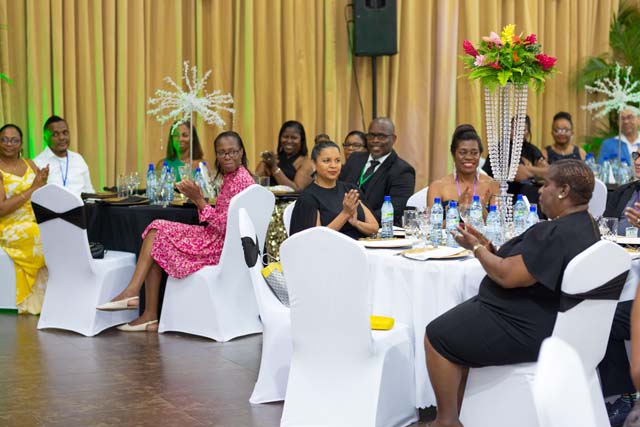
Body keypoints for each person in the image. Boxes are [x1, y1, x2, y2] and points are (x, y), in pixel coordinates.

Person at [425, 160, 604, 427]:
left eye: (546, 185)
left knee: (437, 335)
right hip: (554, 319)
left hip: (526, 325)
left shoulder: (554, 232)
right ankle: (460, 413)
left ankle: (446, 420)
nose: (539, 191)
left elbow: (506, 276)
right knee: (458, 325)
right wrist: (487, 247)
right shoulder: (586, 225)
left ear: (564, 191)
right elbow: (530, 266)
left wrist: (476, 250)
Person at [97, 131, 255, 331]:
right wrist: (199, 200)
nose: (227, 157)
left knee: (156, 231)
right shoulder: (235, 177)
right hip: (218, 239)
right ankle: (147, 313)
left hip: (220, 247)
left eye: (232, 152)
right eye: (222, 152)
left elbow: (227, 226)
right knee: (156, 233)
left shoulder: (241, 181)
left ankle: (135, 297)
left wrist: (199, 200)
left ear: (241, 152)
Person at [0, 124, 49, 314]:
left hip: (34, 220)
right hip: (8, 224)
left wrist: (42, 184)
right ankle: (42, 297)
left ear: (21, 144)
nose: (9, 144)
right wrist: (32, 188)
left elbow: (40, 193)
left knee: (57, 231)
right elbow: (2, 209)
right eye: (4, 139)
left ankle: (61, 295)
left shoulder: (30, 164)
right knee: (36, 233)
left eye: (14, 140)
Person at [290, 141, 378, 239]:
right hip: (331, 248)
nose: (333, 165)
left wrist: (356, 223)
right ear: (314, 164)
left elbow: (374, 228)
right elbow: (317, 239)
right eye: (326, 161)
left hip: (361, 246)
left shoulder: (350, 190)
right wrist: (345, 214)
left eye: (337, 160)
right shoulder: (309, 197)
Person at [339, 117, 415, 226]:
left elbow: (393, 211)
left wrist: (358, 220)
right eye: (371, 135)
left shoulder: (403, 171)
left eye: (381, 136)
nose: (375, 140)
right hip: (343, 222)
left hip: (376, 229)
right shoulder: (355, 159)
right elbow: (338, 190)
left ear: (393, 139)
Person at [429, 124, 499, 209]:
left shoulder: (493, 185)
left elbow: (497, 217)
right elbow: (432, 217)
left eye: (474, 153)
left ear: (480, 155)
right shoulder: (437, 187)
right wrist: (459, 208)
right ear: (453, 154)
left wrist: (481, 209)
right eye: (463, 152)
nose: (469, 157)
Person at [482, 115, 548, 205]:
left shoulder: (531, 149)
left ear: (528, 132)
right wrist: (537, 171)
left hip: (525, 194)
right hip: (502, 194)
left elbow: (549, 172)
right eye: (513, 128)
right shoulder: (502, 148)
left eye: (522, 129)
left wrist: (528, 169)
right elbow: (518, 174)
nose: (517, 132)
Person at [33, 115, 94, 196]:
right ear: (45, 138)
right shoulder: (37, 163)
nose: (62, 138)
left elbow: (89, 190)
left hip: (82, 204)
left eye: (65, 133)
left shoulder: (78, 159)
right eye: (55, 134)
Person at [255, 120, 314, 192]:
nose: (289, 141)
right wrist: (264, 163)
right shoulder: (273, 158)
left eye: (294, 138)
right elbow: (255, 183)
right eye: (285, 137)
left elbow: (297, 190)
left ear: (301, 140)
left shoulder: (306, 162)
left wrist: (274, 167)